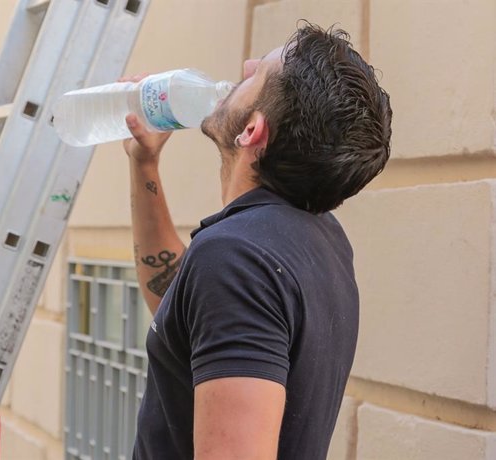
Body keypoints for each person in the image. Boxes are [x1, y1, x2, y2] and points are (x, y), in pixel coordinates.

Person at [123, 23, 392, 460]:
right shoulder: (315, 235)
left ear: (251, 131)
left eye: (257, 74)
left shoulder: (236, 258)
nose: (244, 67)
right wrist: (144, 165)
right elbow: (182, 313)